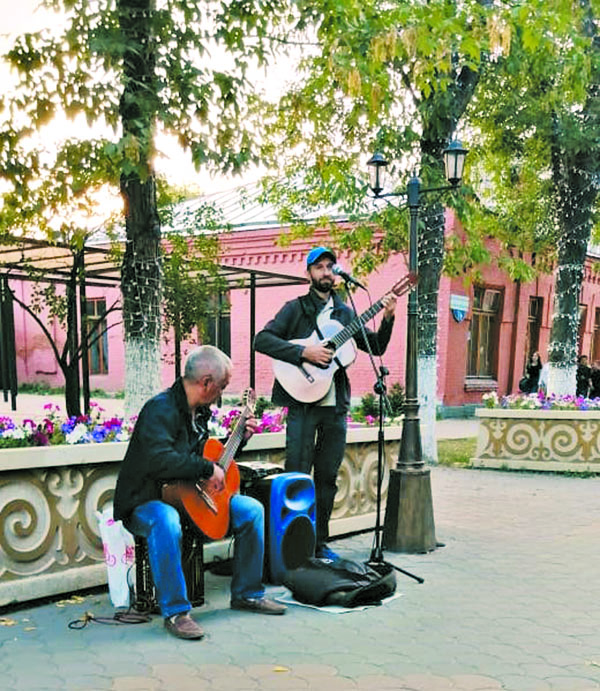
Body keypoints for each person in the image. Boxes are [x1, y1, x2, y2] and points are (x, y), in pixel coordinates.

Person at [113, 345, 285, 641]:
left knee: (251, 509)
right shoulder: (160, 409)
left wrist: (238, 441)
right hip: (145, 501)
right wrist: (206, 469)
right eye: (222, 386)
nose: (221, 394)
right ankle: (177, 612)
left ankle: (247, 593)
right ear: (206, 382)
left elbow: (208, 459)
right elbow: (160, 461)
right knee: (165, 519)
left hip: (190, 498)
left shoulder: (200, 412)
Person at [254, 246, 397, 561]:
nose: (326, 272)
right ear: (308, 273)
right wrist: (305, 353)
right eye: (318, 267)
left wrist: (388, 316)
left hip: (334, 407)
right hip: (302, 403)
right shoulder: (295, 309)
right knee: (297, 473)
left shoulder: (345, 313)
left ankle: (318, 543)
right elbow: (261, 340)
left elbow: (376, 347)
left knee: (327, 477)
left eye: (330, 266)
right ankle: (289, 545)